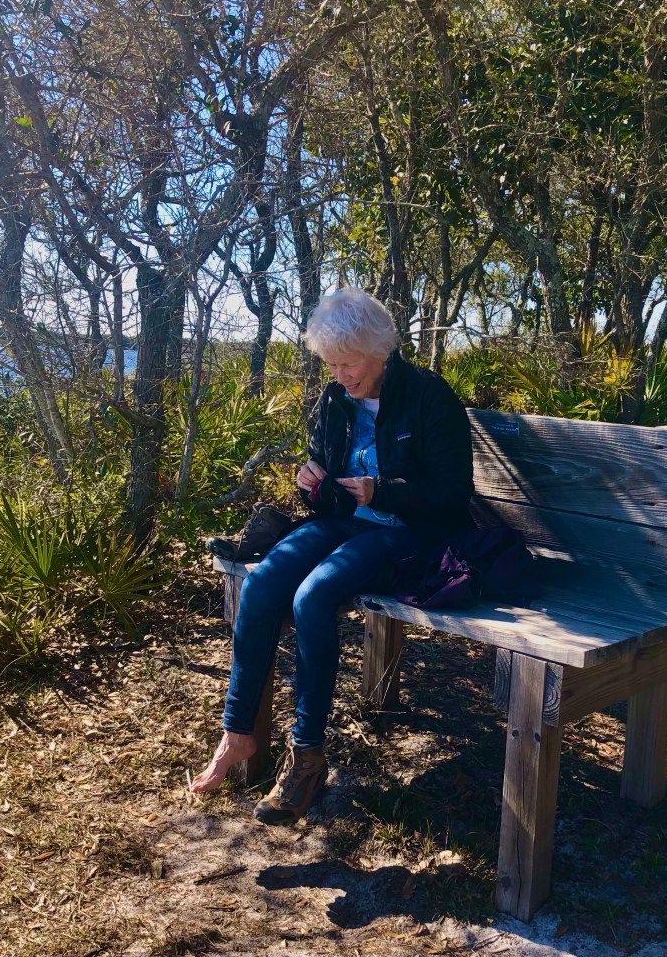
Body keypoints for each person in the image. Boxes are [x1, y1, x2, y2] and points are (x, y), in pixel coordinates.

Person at [191, 288, 474, 824]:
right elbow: (324, 486)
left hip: (411, 533)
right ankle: (237, 733)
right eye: (332, 365)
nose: (341, 376)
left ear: (380, 352)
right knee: (263, 582)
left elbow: (454, 493)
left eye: (350, 364)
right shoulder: (334, 399)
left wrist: (381, 492)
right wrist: (312, 483)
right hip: (346, 523)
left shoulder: (428, 396)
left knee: (313, 596)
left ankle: (307, 756)